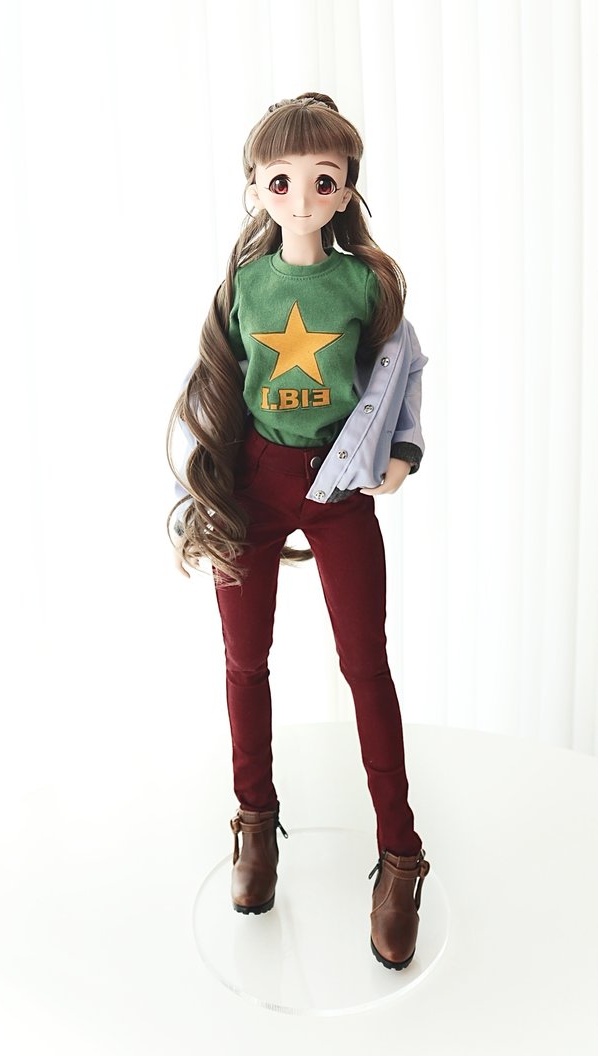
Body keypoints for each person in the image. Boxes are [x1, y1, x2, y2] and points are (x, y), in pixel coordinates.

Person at [166, 92, 430, 970]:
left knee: (366, 662)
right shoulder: (245, 287)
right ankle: (255, 821)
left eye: (324, 180)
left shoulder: (366, 284)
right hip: (255, 481)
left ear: (347, 188)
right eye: (281, 181)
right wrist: (212, 481)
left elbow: (402, 374)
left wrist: (403, 451)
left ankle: (400, 855)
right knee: (244, 659)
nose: (304, 197)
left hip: (338, 483)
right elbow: (221, 388)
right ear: (255, 189)